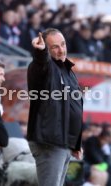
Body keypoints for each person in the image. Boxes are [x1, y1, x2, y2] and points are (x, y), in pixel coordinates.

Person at [27, 28, 83, 186]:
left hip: (64, 143)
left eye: (63, 44)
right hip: (49, 143)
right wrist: (40, 52)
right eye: (55, 47)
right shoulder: (43, 67)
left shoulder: (67, 71)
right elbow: (41, 63)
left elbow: (72, 108)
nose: (61, 50)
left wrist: (75, 143)